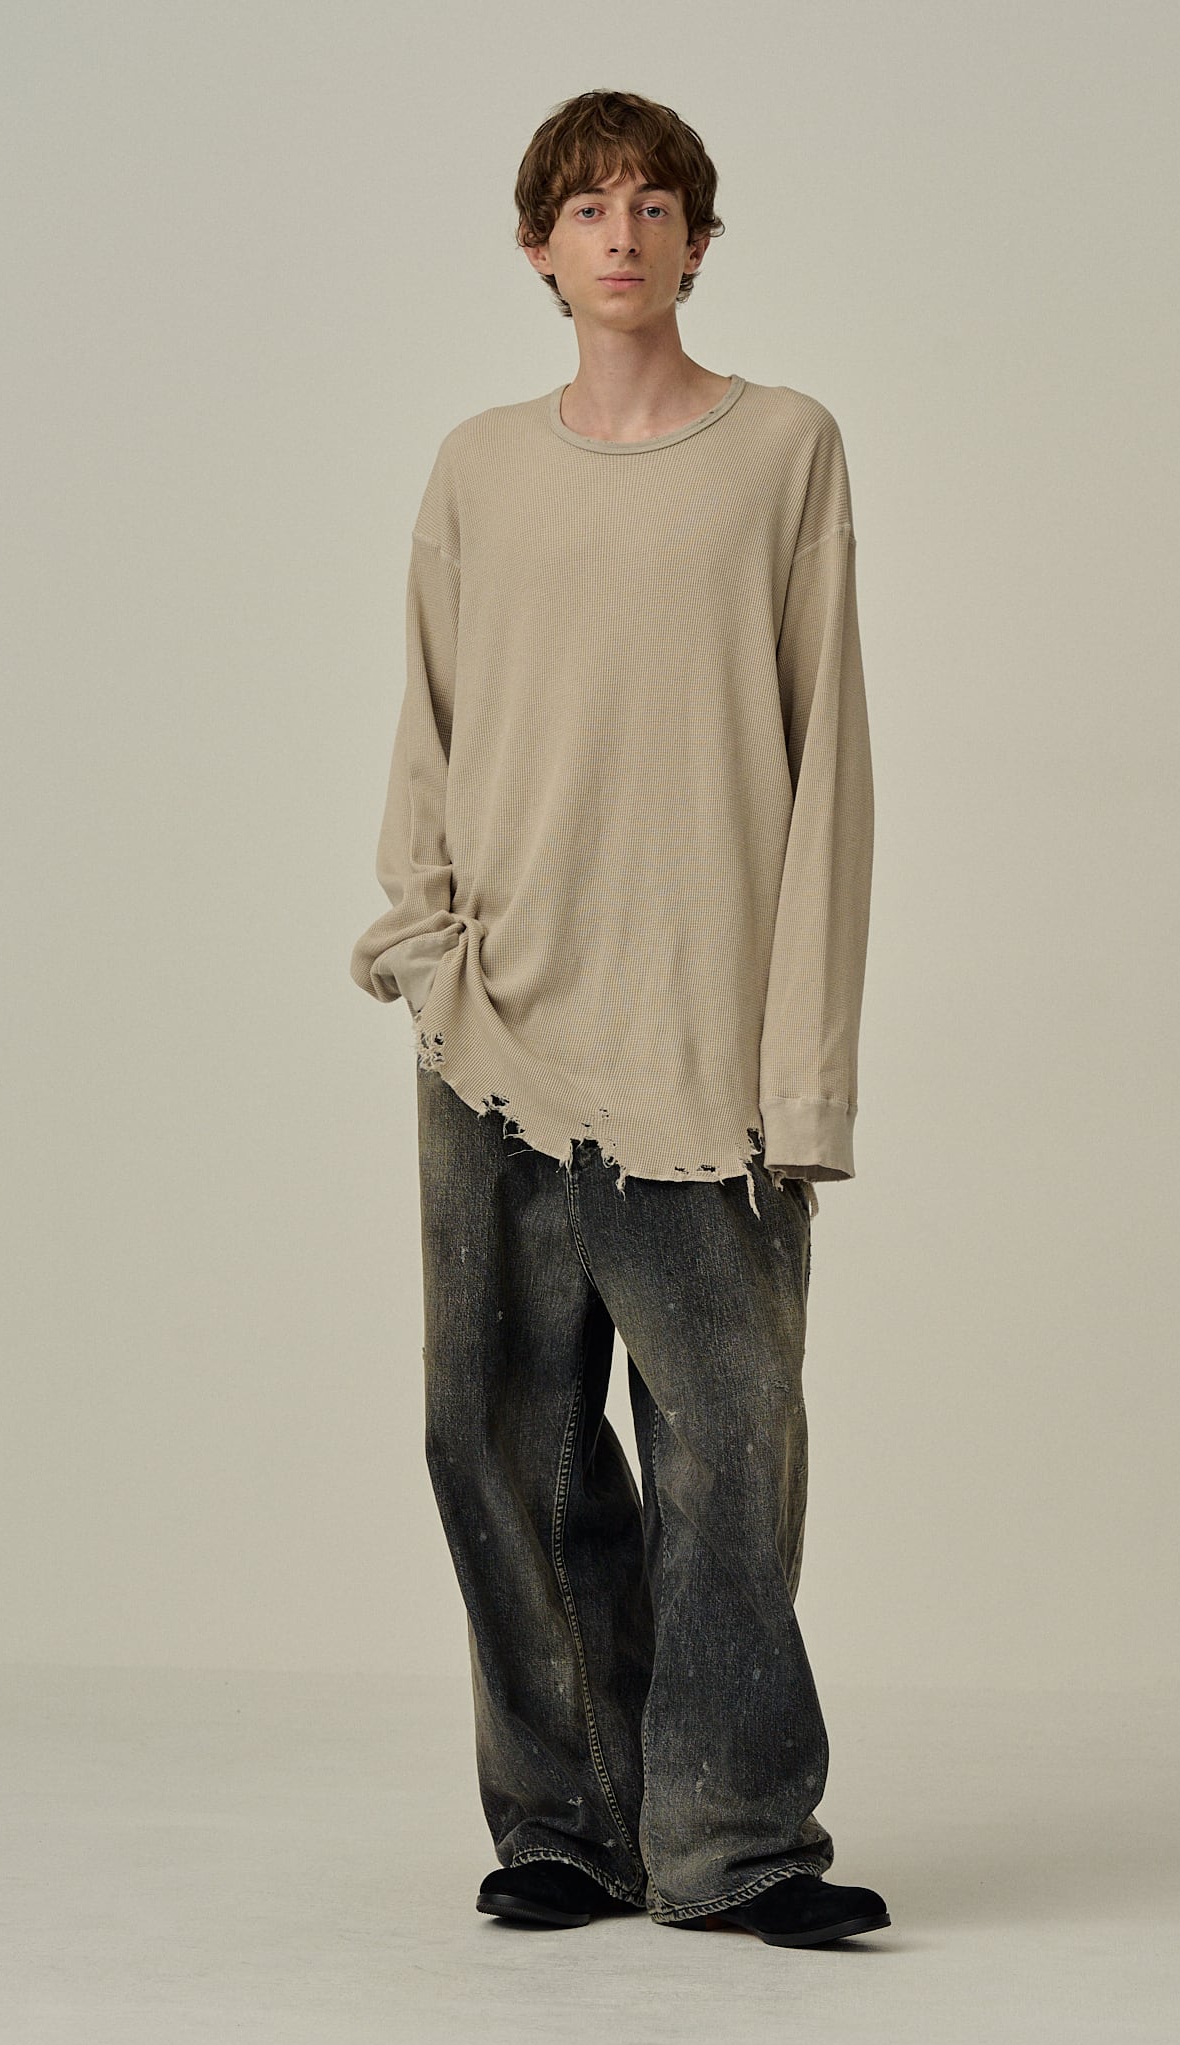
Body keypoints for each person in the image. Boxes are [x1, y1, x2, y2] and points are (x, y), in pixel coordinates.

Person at [350, 89, 884, 1948]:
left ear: (698, 242)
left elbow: (830, 767)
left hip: (699, 1048)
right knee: (504, 1446)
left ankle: (732, 1844)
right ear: (537, 247)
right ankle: (568, 1827)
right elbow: (426, 723)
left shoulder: (783, 450)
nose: (623, 233)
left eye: (656, 205)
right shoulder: (478, 468)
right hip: (494, 1031)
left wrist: (804, 1072)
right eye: (587, 207)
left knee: (729, 1454)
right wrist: (426, 949)